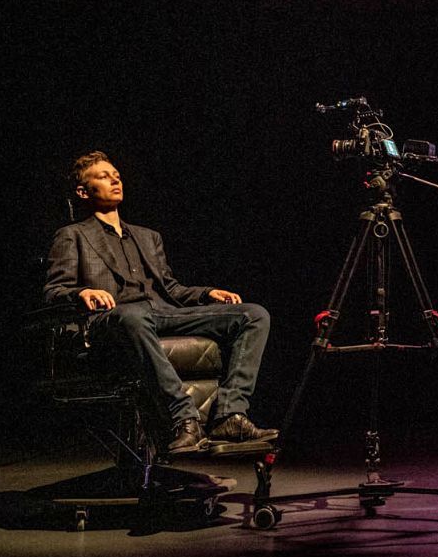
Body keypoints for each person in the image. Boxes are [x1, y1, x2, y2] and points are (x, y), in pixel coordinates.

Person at [44, 151, 278, 454]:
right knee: (131, 316)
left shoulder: (147, 237)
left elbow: (171, 288)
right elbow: (53, 291)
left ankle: (229, 415)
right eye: (103, 176)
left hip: (161, 312)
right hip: (115, 319)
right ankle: (183, 419)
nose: (115, 179)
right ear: (83, 191)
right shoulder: (72, 235)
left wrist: (206, 293)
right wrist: (80, 293)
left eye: (116, 174)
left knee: (253, 315)